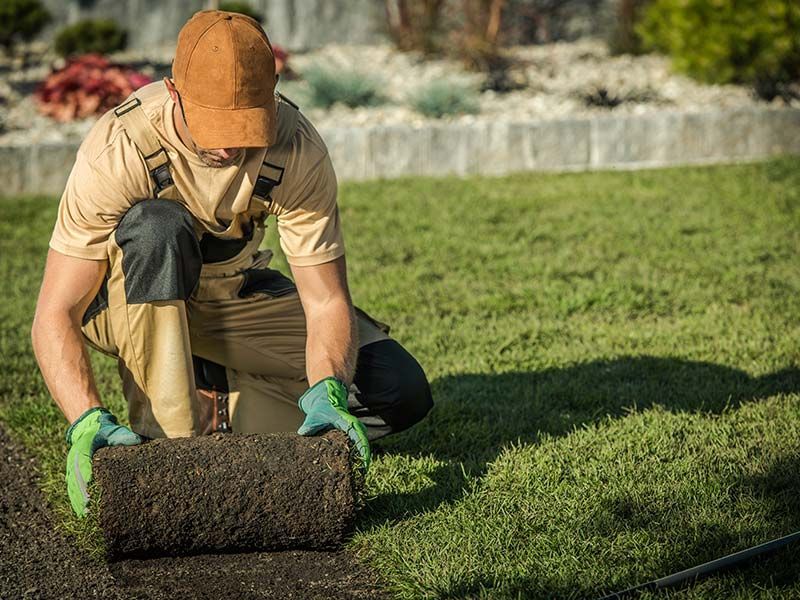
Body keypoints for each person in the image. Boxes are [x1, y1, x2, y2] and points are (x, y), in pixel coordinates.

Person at [30, 10, 433, 518]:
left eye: (245, 126)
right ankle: (169, 441)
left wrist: (328, 388)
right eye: (215, 124)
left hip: (232, 296)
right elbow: (56, 312)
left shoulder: (296, 147)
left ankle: (218, 399)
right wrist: (84, 418)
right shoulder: (121, 147)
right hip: (129, 303)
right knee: (157, 226)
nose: (228, 145)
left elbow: (326, 298)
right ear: (174, 93)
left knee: (397, 389)